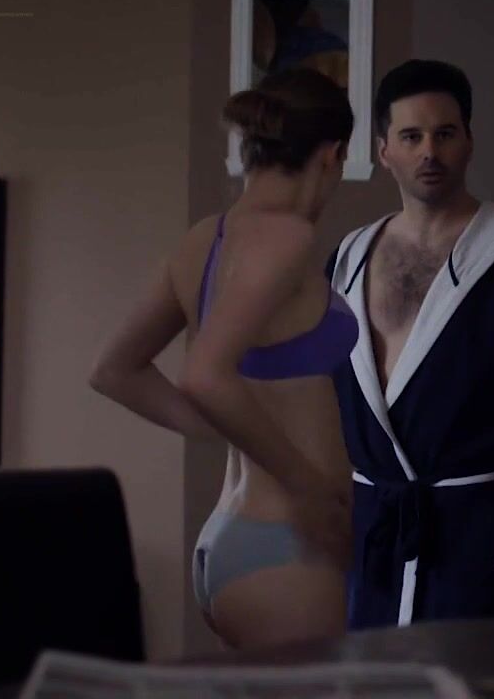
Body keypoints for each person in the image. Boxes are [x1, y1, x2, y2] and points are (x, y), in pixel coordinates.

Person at [90, 68, 357, 649]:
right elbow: (205, 376)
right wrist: (311, 489)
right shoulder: (287, 237)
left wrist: (221, 425)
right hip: (288, 550)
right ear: (331, 155)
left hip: (227, 539)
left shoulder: (202, 240)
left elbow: (115, 370)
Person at [325, 59, 494, 628]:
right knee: (373, 668)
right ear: (384, 149)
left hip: (480, 527)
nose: (429, 152)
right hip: (374, 523)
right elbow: (321, 391)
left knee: (465, 666)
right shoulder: (349, 256)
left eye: (444, 134)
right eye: (411, 136)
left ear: (468, 142)